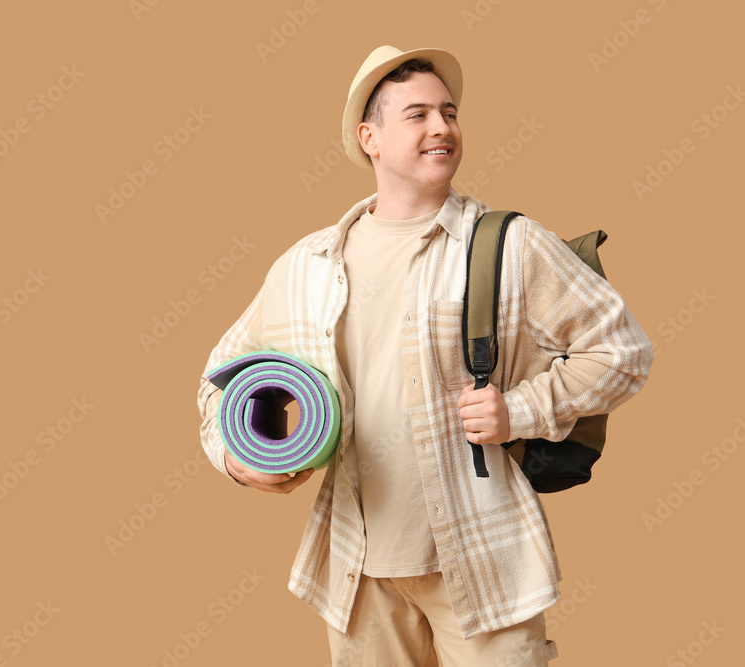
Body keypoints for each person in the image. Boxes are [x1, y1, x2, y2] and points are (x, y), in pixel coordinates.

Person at [196, 45, 654, 666]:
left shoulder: (511, 246)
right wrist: (238, 460)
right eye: (417, 115)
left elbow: (623, 351)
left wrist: (519, 410)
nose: (442, 127)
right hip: (355, 568)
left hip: (482, 557)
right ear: (370, 139)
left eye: (450, 112)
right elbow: (220, 381)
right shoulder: (307, 266)